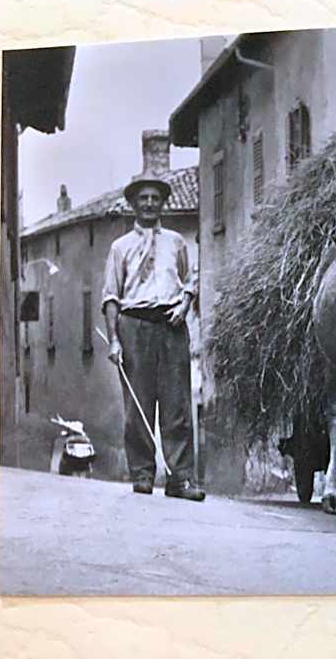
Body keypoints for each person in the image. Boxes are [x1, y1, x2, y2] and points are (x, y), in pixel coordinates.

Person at [102, 168, 205, 502]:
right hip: (134, 326)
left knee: (177, 406)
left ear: (163, 204)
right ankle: (143, 474)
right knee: (138, 406)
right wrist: (115, 340)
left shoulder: (176, 242)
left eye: (155, 199)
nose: (149, 204)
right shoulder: (120, 247)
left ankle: (180, 480)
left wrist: (185, 305)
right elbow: (110, 298)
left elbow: (189, 281)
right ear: (133, 204)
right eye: (143, 199)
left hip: (171, 326)